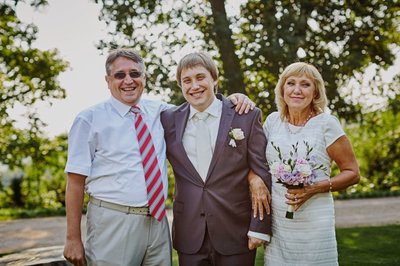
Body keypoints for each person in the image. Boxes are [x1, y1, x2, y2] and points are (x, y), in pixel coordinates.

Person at [63, 48, 256, 266]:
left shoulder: (162, 112)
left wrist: (234, 99)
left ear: (144, 78)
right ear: (108, 80)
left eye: (135, 74)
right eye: (120, 75)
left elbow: (203, 106)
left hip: (157, 221)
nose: (128, 80)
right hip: (114, 220)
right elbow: (75, 182)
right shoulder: (89, 119)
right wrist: (72, 238)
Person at [160, 52, 272, 266]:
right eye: (187, 81)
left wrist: (259, 227)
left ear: (214, 79)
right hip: (189, 232)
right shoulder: (168, 119)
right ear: (180, 86)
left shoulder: (245, 115)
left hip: (235, 229)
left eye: (200, 77)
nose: (194, 86)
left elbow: (262, 171)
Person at [263, 62, 360, 265]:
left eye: (305, 84)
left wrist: (315, 188)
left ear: (315, 92)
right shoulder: (272, 122)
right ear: (282, 89)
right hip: (279, 221)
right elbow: (256, 163)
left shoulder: (327, 124)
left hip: (315, 219)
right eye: (291, 83)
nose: (297, 90)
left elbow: (352, 172)